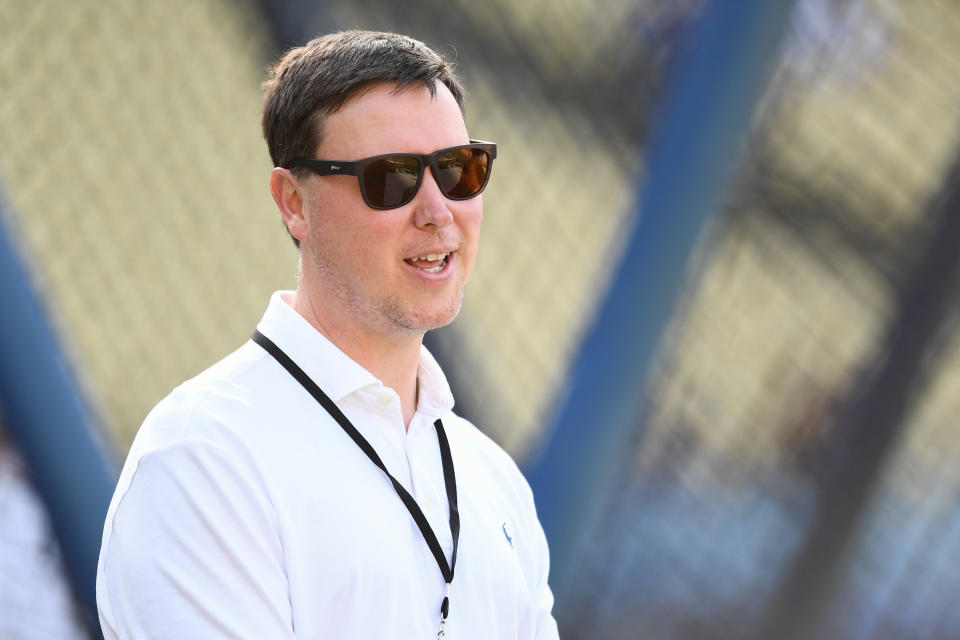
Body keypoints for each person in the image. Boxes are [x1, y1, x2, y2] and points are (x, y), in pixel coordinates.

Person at [96, 30, 559, 639]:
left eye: (458, 170)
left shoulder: (491, 478)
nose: (437, 210)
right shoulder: (203, 461)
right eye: (390, 179)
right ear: (293, 202)